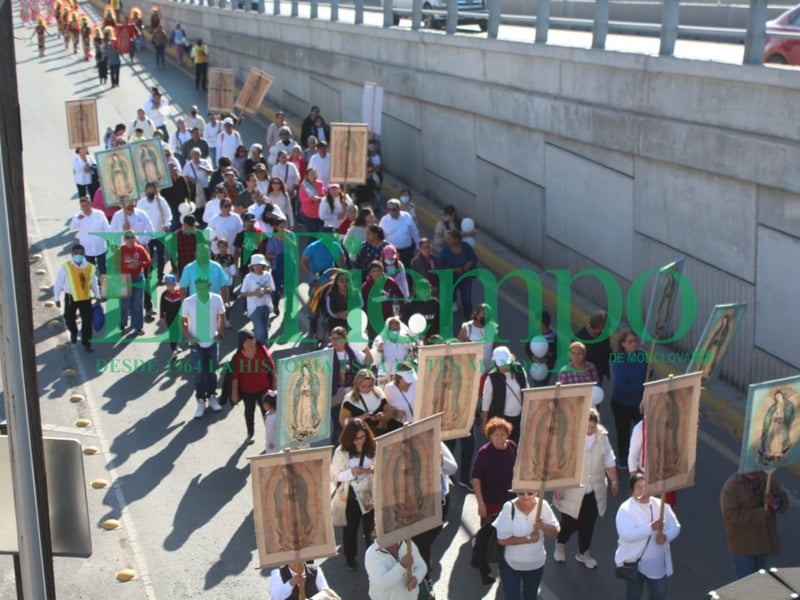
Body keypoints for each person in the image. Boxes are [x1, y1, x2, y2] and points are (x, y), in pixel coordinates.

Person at [553, 408, 619, 568]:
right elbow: (559, 463)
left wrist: (614, 481)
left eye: (592, 427)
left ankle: (583, 553)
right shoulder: (570, 437)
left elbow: (609, 460)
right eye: (587, 427)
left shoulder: (602, 437)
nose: (590, 430)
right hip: (572, 491)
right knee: (569, 523)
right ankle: (560, 543)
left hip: (593, 491)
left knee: (588, 524)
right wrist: (558, 486)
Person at [615, 473, 681, 600]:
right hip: (634, 563)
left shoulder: (661, 505)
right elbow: (626, 535)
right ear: (632, 491)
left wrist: (666, 537)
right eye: (639, 488)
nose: (643, 491)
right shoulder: (625, 510)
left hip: (656, 565)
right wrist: (651, 527)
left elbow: (676, 526)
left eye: (645, 487)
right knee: (633, 595)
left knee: (659, 594)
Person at [720, 470, 789, 579]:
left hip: (764, 544)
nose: (754, 471)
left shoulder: (768, 480)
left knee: (762, 581)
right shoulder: (732, 486)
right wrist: (758, 514)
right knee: (748, 584)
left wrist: (775, 502)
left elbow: (783, 505)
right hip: (743, 547)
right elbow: (730, 515)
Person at [494, 491, 560, 600]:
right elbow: (502, 540)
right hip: (511, 565)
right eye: (521, 493)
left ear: (536, 493)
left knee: (531, 596)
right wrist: (528, 539)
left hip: (536, 565)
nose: (525, 496)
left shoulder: (543, 505)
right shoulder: (509, 507)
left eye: (530, 493)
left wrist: (543, 526)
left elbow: (555, 532)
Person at [331, 418, 376, 572]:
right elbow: (335, 475)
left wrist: (373, 469)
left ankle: (373, 559)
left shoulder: (372, 448)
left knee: (371, 529)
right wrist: (352, 472)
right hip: (350, 496)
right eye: (356, 438)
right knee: (350, 529)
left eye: (362, 437)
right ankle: (350, 557)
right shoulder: (341, 452)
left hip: (369, 495)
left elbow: (381, 465)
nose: (359, 441)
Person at [181, 277, 226, 419]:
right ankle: (201, 400)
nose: (201, 290)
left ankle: (212, 397)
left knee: (212, 372)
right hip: (196, 345)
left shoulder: (217, 299)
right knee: (199, 374)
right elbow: (183, 322)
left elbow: (222, 316)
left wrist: (220, 333)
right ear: (195, 287)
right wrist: (189, 337)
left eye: (204, 287)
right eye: (199, 288)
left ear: (209, 286)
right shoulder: (188, 302)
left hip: (212, 343)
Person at [230, 329, 277, 445]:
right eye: (248, 344)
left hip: (264, 389)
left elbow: (271, 366)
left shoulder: (261, 349)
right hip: (247, 391)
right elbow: (235, 378)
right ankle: (250, 433)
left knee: (267, 412)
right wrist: (234, 394)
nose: (252, 346)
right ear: (242, 344)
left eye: (253, 343)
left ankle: (271, 434)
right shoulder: (238, 357)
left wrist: (274, 381)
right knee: (249, 412)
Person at [611, 329, 648, 469]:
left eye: (635, 341)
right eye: (630, 341)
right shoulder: (619, 360)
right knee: (623, 432)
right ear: (623, 344)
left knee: (641, 431)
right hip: (622, 403)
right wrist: (643, 386)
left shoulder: (641, 356)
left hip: (638, 403)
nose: (634, 344)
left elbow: (646, 373)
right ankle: (623, 458)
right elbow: (622, 385)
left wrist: (650, 371)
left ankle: (639, 457)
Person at [53, 244, 101, 352]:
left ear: (84, 254)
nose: (78, 255)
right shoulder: (66, 267)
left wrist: (97, 296)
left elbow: (94, 283)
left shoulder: (90, 267)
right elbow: (59, 283)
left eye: (81, 253)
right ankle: (74, 332)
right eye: (76, 253)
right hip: (71, 297)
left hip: (85, 298)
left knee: (87, 322)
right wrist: (57, 298)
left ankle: (87, 343)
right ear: (72, 254)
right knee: (69, 318)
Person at [472, 417, 517, 525]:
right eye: (496, 435)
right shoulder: (484, 452)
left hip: (511, 500)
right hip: (491, 501)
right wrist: (481, 503)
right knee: (488, 531)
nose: (499, 438)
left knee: (508, 529)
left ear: (507, 434)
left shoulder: (512, 446)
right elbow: (476, 478)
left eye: (502, 434)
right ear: (490, 436)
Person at [481, 346, 528, 444]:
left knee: (518, 446)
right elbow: (486, 401)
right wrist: (484, 422)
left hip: (519, 417)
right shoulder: (491, 378)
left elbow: (527, 390)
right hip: (501, 419)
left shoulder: (519, 370)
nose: (503, 366)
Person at [69, 197, 111, 286]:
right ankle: (95, 291)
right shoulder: (78, 216)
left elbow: (107, 228)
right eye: (82, 206)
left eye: (86, 205)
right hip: (87, 249)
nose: (85, 208)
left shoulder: (99, 214)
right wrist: (77, 219)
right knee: (90, 271)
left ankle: (104, 289)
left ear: (90, 204)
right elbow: (71, 228)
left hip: (100, 247)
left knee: (103, 270)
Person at [339, 369, 393, 437]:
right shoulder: (349, 399)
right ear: (357, 384)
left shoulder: (379, 393)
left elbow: (389, 414)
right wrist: (360, 418)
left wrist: (381, 417)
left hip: (379, 434)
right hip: (359, 437)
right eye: (363, 386)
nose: (367, 389)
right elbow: (343, 422)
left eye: (370, 386)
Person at [438, 229, 477, 319]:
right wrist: (453, 269)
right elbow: (440, 267)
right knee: (448, 302)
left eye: (449, 239)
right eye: (446, 239)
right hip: (451, 281)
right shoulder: (444, 252)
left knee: (467, 302)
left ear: (456, 239)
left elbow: (474, 258)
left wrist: (469, 263)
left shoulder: (466, 247)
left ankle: (469, 322)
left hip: (465, 279)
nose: (447, 241)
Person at [118, 231, 152, 335]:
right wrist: (126, 267)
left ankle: (138, 326)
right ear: (124, 239)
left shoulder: (140, 248)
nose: (130, 240)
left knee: (138, 303)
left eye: (132, 237)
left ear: (135, 238)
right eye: (127, 238)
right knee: (125, 304)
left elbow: (149, 261)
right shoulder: (120, 250)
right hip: (125, 278)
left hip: (138, 277)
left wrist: (139, 264)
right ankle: (123, 324)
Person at [240, 254, 275, 344]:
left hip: (266, 306)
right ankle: (260, 350)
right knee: (260, 332)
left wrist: (266, 290)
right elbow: (242, 293)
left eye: (260, 265)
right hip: (254, 307)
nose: (258, 267)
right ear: (252, 266)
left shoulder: (268, 275)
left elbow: (272, 289)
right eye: (256, 265)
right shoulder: (248, 278)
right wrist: (255, 293)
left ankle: (263, 351)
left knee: (265, 330)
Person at [378, 198, 419, 267]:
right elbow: (380, 236)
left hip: (407, 252)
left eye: (393, 209)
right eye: (389, 209)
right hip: (391, 254)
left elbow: (414, 232)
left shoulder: (407, 217)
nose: (391, 212)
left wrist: (418, 247)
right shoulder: (384, 220)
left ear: (399, 209)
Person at [575, 311, 612, 384]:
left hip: (598, 374)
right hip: (583, 377)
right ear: (598, 328)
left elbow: (607, 352)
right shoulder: (579, 338)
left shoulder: (604, 335)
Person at [524, 310, 558, 387]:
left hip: (546, 368)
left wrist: (547, 359)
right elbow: (527, 348)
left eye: (537, 322)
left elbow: (557, 353)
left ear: (543, 324)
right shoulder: (533, 334)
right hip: (535, 365)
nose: (535, 324)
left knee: (542, 385)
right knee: (536, 383)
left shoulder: (553, 337)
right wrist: (533, 357)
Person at [159, 274, 182, 355]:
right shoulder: (164, 294)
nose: (169, 287)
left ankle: (176, 345)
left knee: (177, 332)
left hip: (178, 317)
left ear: (175, 284)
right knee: (172, 332)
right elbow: (161, 306)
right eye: (167, 285)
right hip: (169, 317)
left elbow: (183, 305)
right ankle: (173, 350)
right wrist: (162, 316)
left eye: (171, 285)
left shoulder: (179, 293)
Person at [298, 167, 326, 232]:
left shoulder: (320, 184)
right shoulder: (304, 185)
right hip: (309, 213)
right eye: (311, 174)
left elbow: (324, 194)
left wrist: (320, 198)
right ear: (307, 176)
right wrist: (311, 199)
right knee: (312, 234)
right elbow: (302, 199)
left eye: (314, 174)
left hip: (319, 212)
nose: (313, 176)